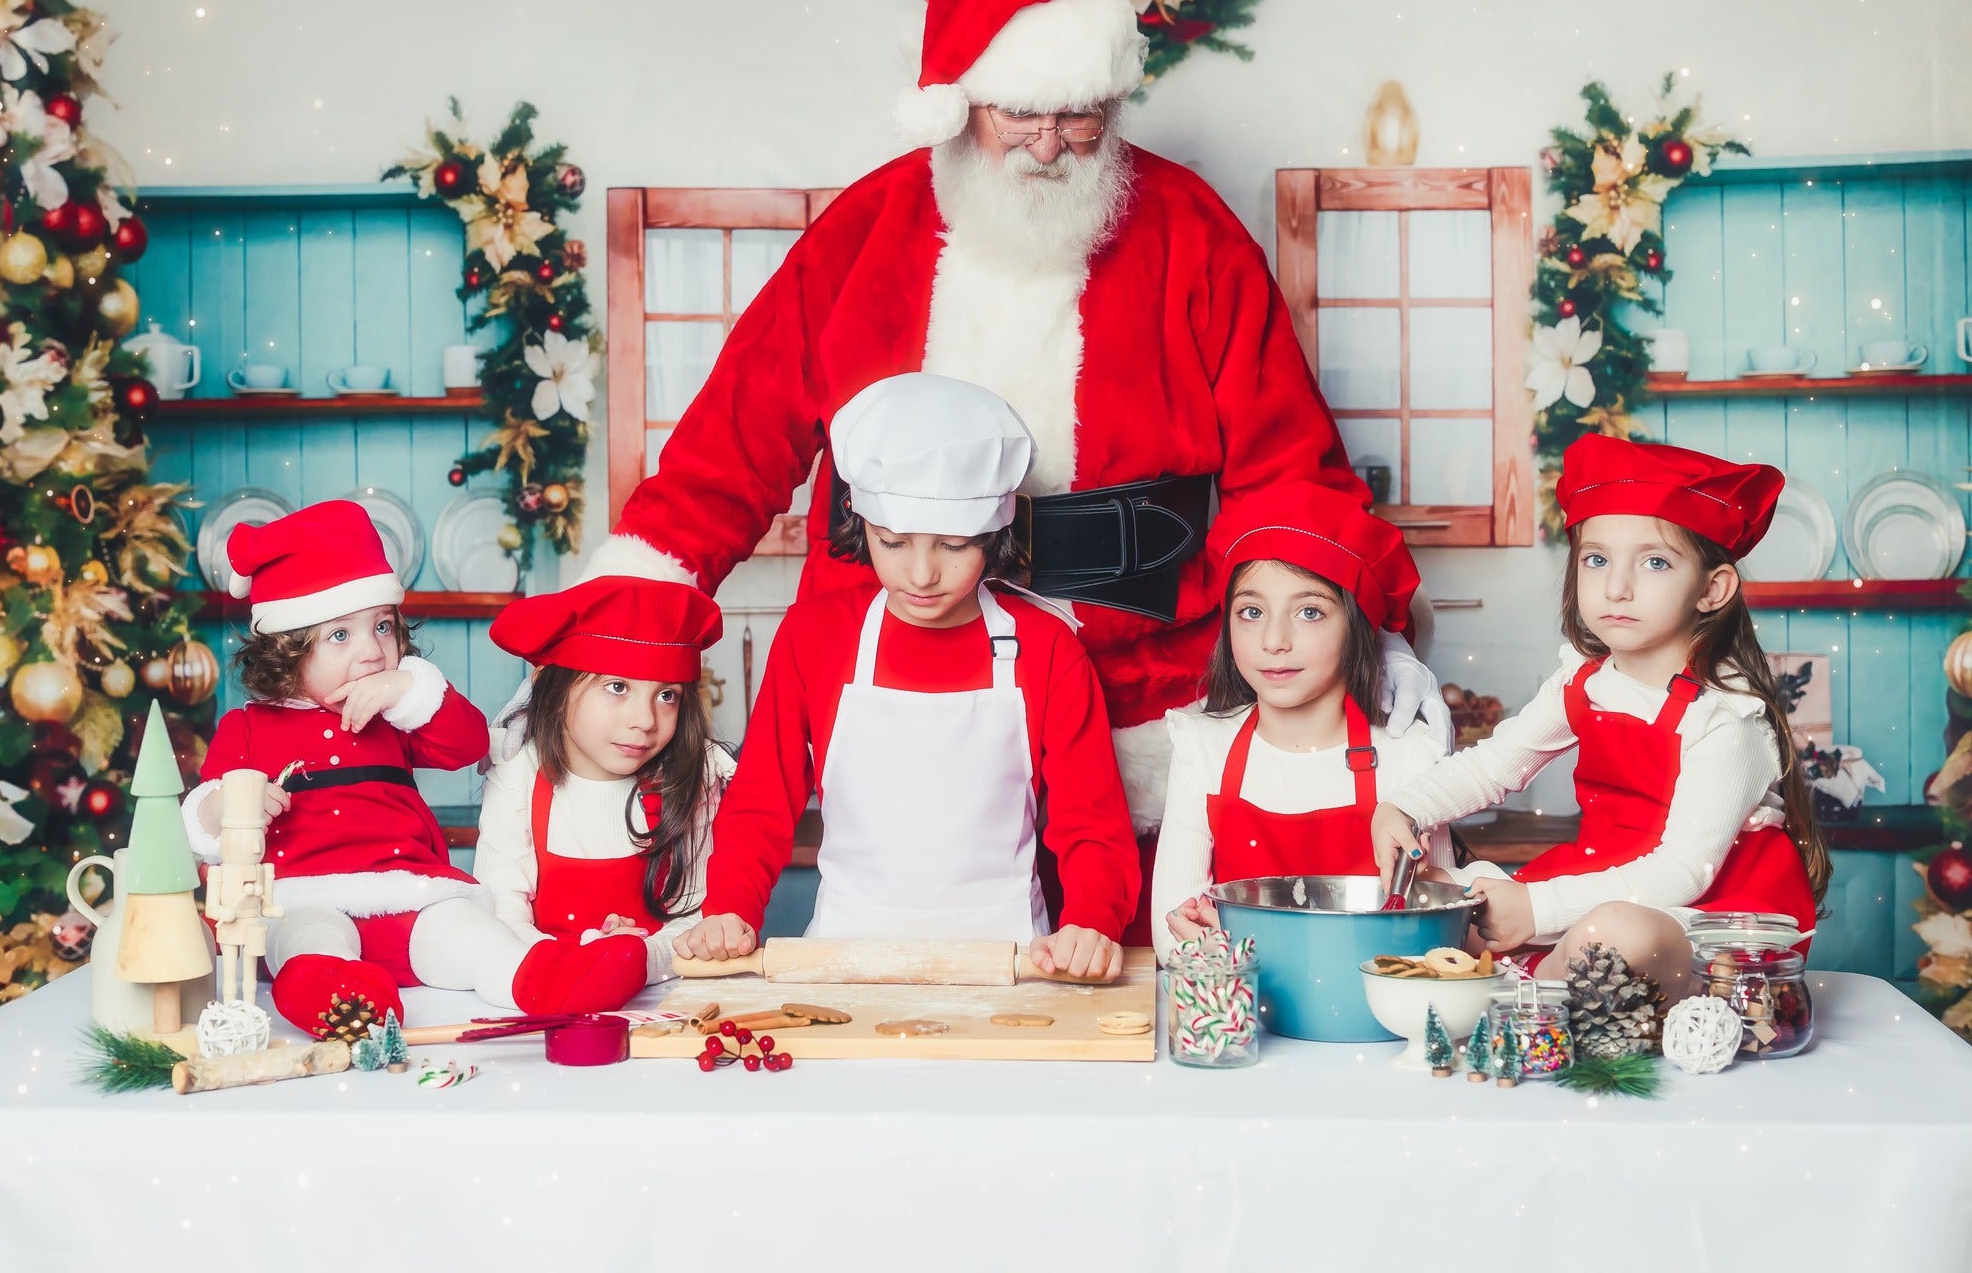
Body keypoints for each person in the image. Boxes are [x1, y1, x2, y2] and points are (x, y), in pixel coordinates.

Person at [560, 0, 1446, 940]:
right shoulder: (865, 232)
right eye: (1019, 111)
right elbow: (730, 445)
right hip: (899, 657)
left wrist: (1363, 628)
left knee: (1145, 980)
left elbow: (1286, 466)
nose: (1046, 140)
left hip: (1140, 680)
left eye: (1078, 116)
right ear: (959, 101)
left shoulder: (1190, 229)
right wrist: (615, 625)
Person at [674, 373, 1137, 981]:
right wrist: (730, 907)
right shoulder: (814, 637)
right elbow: (762, 801)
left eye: (952, 545)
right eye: (893, 542)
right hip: (843, 961)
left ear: (994, 533)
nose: (922, 574)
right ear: (860, 522)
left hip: (1012, 966)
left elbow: (1093, 824)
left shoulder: (1047, 649)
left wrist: (1093, 922)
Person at [1371, 435, 1830, 997]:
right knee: (1436, 893)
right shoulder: (1585, 680)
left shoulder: (1726, 719)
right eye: (1597, 559)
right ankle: (1538, 981)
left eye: (1655, 562)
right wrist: (1404, 807)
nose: (1617, 586)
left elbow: (1682, 872)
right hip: (1605, 877)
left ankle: (1529, 985)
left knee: (1611, 933)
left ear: (1713, 588)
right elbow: (1495, 766)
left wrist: (1534, 910)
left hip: (1705, 916)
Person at [182, 502, 639, 1036]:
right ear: (287, 650)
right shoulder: (251, 727)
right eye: (340, 636)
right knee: (307, 937)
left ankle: (540, 977)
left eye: (382, 626)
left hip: (409, 897)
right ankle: (337, 997)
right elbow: (204, 819)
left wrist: (412, 692)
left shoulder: (394, 714)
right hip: (304, 896)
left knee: (469, 932)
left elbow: (467, 745)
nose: (374, 652)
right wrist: (230, 807)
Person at [1152, 483, 1479, 963]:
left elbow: (1441, 939)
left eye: (1309, 612)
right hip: (1244, 1025)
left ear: (1358, 625)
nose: (1274, 639)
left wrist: (1243, 939)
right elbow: (1172, 935)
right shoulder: (1203, 746)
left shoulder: (1409, 755)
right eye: (1251, 611)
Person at [472, 577, 733, 1005]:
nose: (645, 720)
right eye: (617, 687)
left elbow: (695, 919)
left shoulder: (691, 779)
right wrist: (574, 963)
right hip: (539, 995)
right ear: (551, 689)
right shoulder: (518, 773)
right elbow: (502, 910)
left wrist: (639, 958)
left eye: (666, 695)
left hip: (660, 1005)